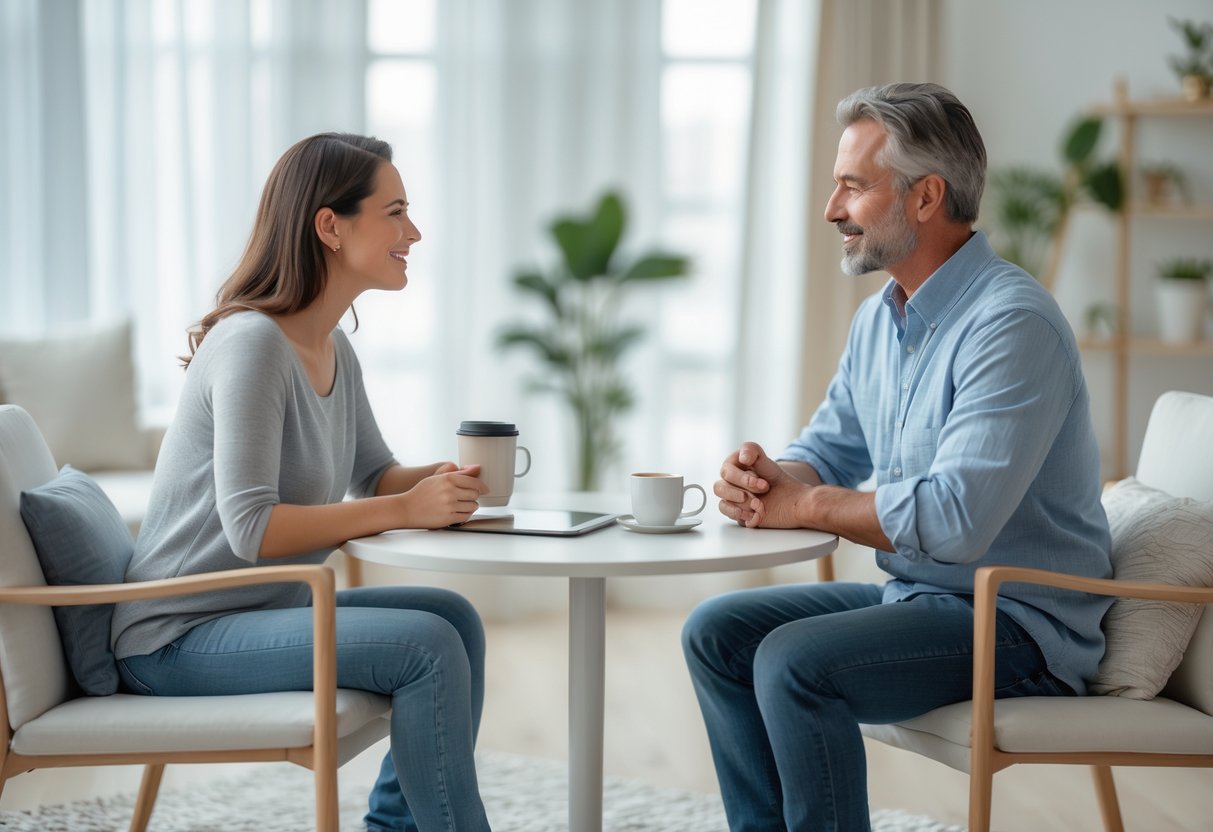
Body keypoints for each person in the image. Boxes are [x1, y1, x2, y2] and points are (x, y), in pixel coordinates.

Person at [681, 83, 1114, 832]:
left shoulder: (1011, 325)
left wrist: (806, 505)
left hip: (1016, 623)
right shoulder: (879, 322)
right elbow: (826, 448)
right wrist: (769, 478)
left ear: (924, 198)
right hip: (920, 601)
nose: (831, 209)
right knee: (716, 634)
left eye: (853, 185)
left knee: (793, 663)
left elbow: (953, 522)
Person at [110, 132, 494, 832]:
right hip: (176, 637)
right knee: (425, 645)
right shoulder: (253, 343)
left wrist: (442, 482)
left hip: (254, 614)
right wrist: (403, 507)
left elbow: (373, 474)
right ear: (330, 225)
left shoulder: (331, 344)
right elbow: (251, 526)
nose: (414, 231)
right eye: (396, 211)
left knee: (453, 620)